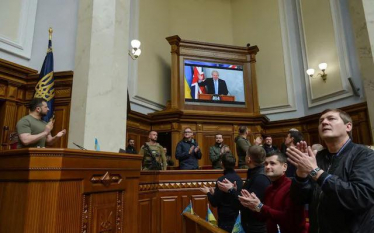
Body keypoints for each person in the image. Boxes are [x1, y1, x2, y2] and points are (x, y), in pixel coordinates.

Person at [287, 109, 374, 233]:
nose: (324, 122)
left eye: (331, 119)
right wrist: (301, 174)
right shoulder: (317, 157)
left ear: (348, 126)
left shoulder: (365, 155)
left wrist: (315, 171)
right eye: (321, 121)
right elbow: (299, 199)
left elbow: (360, 197)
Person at [239, 152, 306, 233]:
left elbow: (288, 219)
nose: (267, 166)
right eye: (266, 164)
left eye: (272, 163)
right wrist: (253, 207)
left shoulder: (292, 187)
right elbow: (263, 218)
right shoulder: (269, 189)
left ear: (284, 167)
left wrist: (260, 206)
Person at [218, 145, 271, 233]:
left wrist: (231, 190)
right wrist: (235, 190)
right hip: (250, 224)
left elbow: (247, 203)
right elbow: (245, 195)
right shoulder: (255, 173)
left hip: (255, 227)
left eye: (246, 155)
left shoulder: (260, 177)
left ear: (249, 159)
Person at [200, 152, 243, 232]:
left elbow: (214, 203)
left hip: (225, 219)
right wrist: (214, 193)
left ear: (221, 164)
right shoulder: (239, 179)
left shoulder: (221, 180)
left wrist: (208, 192)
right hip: (237, 218)